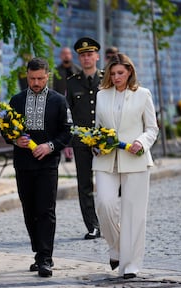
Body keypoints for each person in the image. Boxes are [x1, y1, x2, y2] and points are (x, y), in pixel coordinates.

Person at [93, 53, 159, 279]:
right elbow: (97, 129)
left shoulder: (143, 95)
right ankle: (117, 249)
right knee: (104, 203)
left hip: (135, 159)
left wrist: (140, 142)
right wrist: (96, 145)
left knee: (134, 214)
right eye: (112, 73)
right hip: (105, 159)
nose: (116, 77)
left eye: (120, 73)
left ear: (129, 71)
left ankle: (130, 265)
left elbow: (152, 128)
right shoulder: (101, 95)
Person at [5, 57, 72, 277]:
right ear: (26, 75)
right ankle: (38, 251)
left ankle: (45, 258)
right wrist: (15, 140)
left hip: (48, 163)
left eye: (40, 79)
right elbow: (7, 129)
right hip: (23, 164)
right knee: (29, 209)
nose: (35, 83)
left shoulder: (59, 101)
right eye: (32, 78)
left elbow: (67, 132)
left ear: (47, 76)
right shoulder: (16, 100)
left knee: (45, 210)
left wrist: (50, 146)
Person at [65, 37, 103, 240]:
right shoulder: (72, 83)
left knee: (108, 183)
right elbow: (68, 113)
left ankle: (110, 222)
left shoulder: (107, 80)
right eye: (83, 55)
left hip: (105, 141)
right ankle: (93, 226)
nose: (87, 58)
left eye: (90, 54)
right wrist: (69, 141)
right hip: (81, 141)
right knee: (84, 185)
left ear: (97, 56)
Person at [52, 46, 82, 162]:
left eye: (68, 54)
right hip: (61, 104)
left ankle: (73, 149)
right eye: (64, 54)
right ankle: (63, 149)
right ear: (60, 56)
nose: (66, 56)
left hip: (75, 104)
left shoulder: (78, 70)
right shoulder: (56, 72)